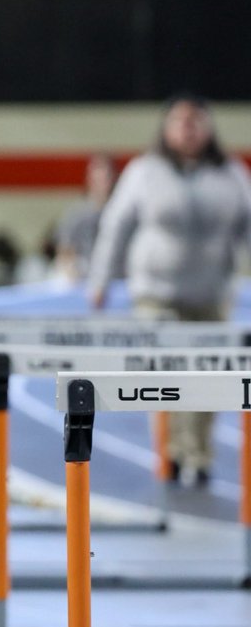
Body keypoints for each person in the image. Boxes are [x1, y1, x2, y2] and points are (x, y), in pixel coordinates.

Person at [87, 93, 251, 487]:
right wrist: (100, 281)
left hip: (210, 295)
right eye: (181, 121)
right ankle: (172, 452)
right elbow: (116, 227)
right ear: (166, 128)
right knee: (166, 375)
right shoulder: (144, 172)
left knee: (210, 378)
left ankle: (199, 453)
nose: (189, 128)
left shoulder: (231, 173)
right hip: (156, 295)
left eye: (197, 120)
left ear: (209, 128)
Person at [52, 154, 117, 283]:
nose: (102, 182)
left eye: (106, 177)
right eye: (97, 177)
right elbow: (65, 252)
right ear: (89, 179)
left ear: (114, 178)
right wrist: (72, 273)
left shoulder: (121, 212)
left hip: (114, 277)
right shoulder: (76, 214)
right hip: (83, 279)